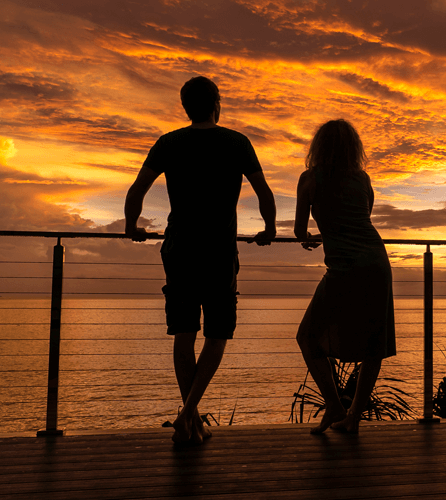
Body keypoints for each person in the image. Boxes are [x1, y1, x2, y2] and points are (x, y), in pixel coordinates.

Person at [124, 76, 276, 445]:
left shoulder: (168, 143)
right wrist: (269, 229)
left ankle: (189, 419)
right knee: (218, 333)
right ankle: (188, 414)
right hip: (219, 251)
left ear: (185, 107)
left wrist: (132, 225)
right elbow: (264, 193)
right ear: (217, 103)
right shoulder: (237, 142)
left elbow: (136, 190)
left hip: (179, 248)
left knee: (183, 333)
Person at [294, 119, 396, 434]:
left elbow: (300, 230)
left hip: (344, 267)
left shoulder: (309, 179)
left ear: (319, 147)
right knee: (373, 346)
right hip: (377, 262)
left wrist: (312, 237)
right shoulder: (363, 180)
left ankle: (335, 406)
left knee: (307, 337)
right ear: (354, 149)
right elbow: (360, 218)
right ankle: (351, 417)